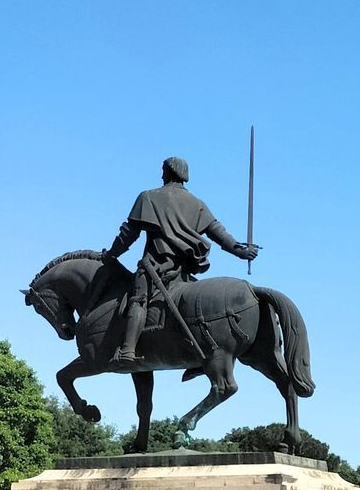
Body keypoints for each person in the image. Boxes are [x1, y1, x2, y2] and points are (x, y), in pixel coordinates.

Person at [107, 156, 260, 364]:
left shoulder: (149, 197)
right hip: (183, 274)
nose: (161, 174)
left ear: (170, 172)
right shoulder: (197, 204)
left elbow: (128, 234)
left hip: (155, 270)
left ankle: (128, 350)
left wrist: (111, 254)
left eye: (163, 170)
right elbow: (218, 233)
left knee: (138, 300)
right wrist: (240, 251)